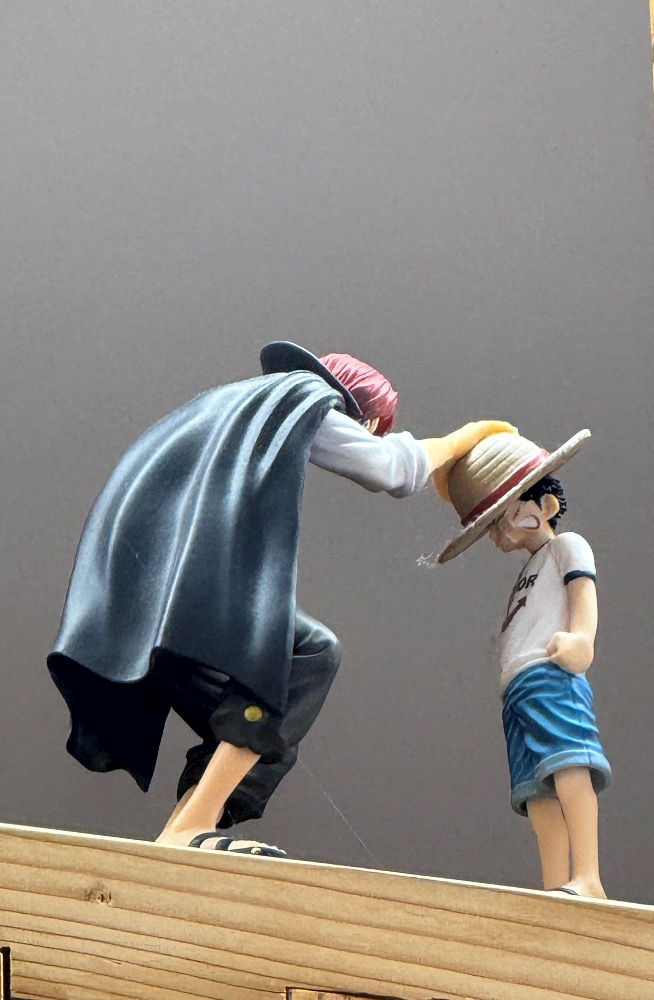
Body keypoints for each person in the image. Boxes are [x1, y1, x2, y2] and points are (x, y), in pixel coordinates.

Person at [48, 341, 513, 855]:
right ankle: (193, 825)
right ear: (364, 419)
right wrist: (466, 437)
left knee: (261, 706)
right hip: (182, 585)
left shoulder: (243, 404)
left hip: (150, 584)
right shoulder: (304, 398)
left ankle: (179, 839)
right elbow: (391, 470)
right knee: (306, 658)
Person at [437, 429, 610, 898]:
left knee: (569, 763)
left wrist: (583, 639)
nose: (498, 532)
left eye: (504, 516)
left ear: (544, 506)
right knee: (535, 787)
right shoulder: (528, 571)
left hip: (551, 674)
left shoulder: (567, 546)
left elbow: (583, 594)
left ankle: (588, 876)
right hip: (518, 686)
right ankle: (555, 882)